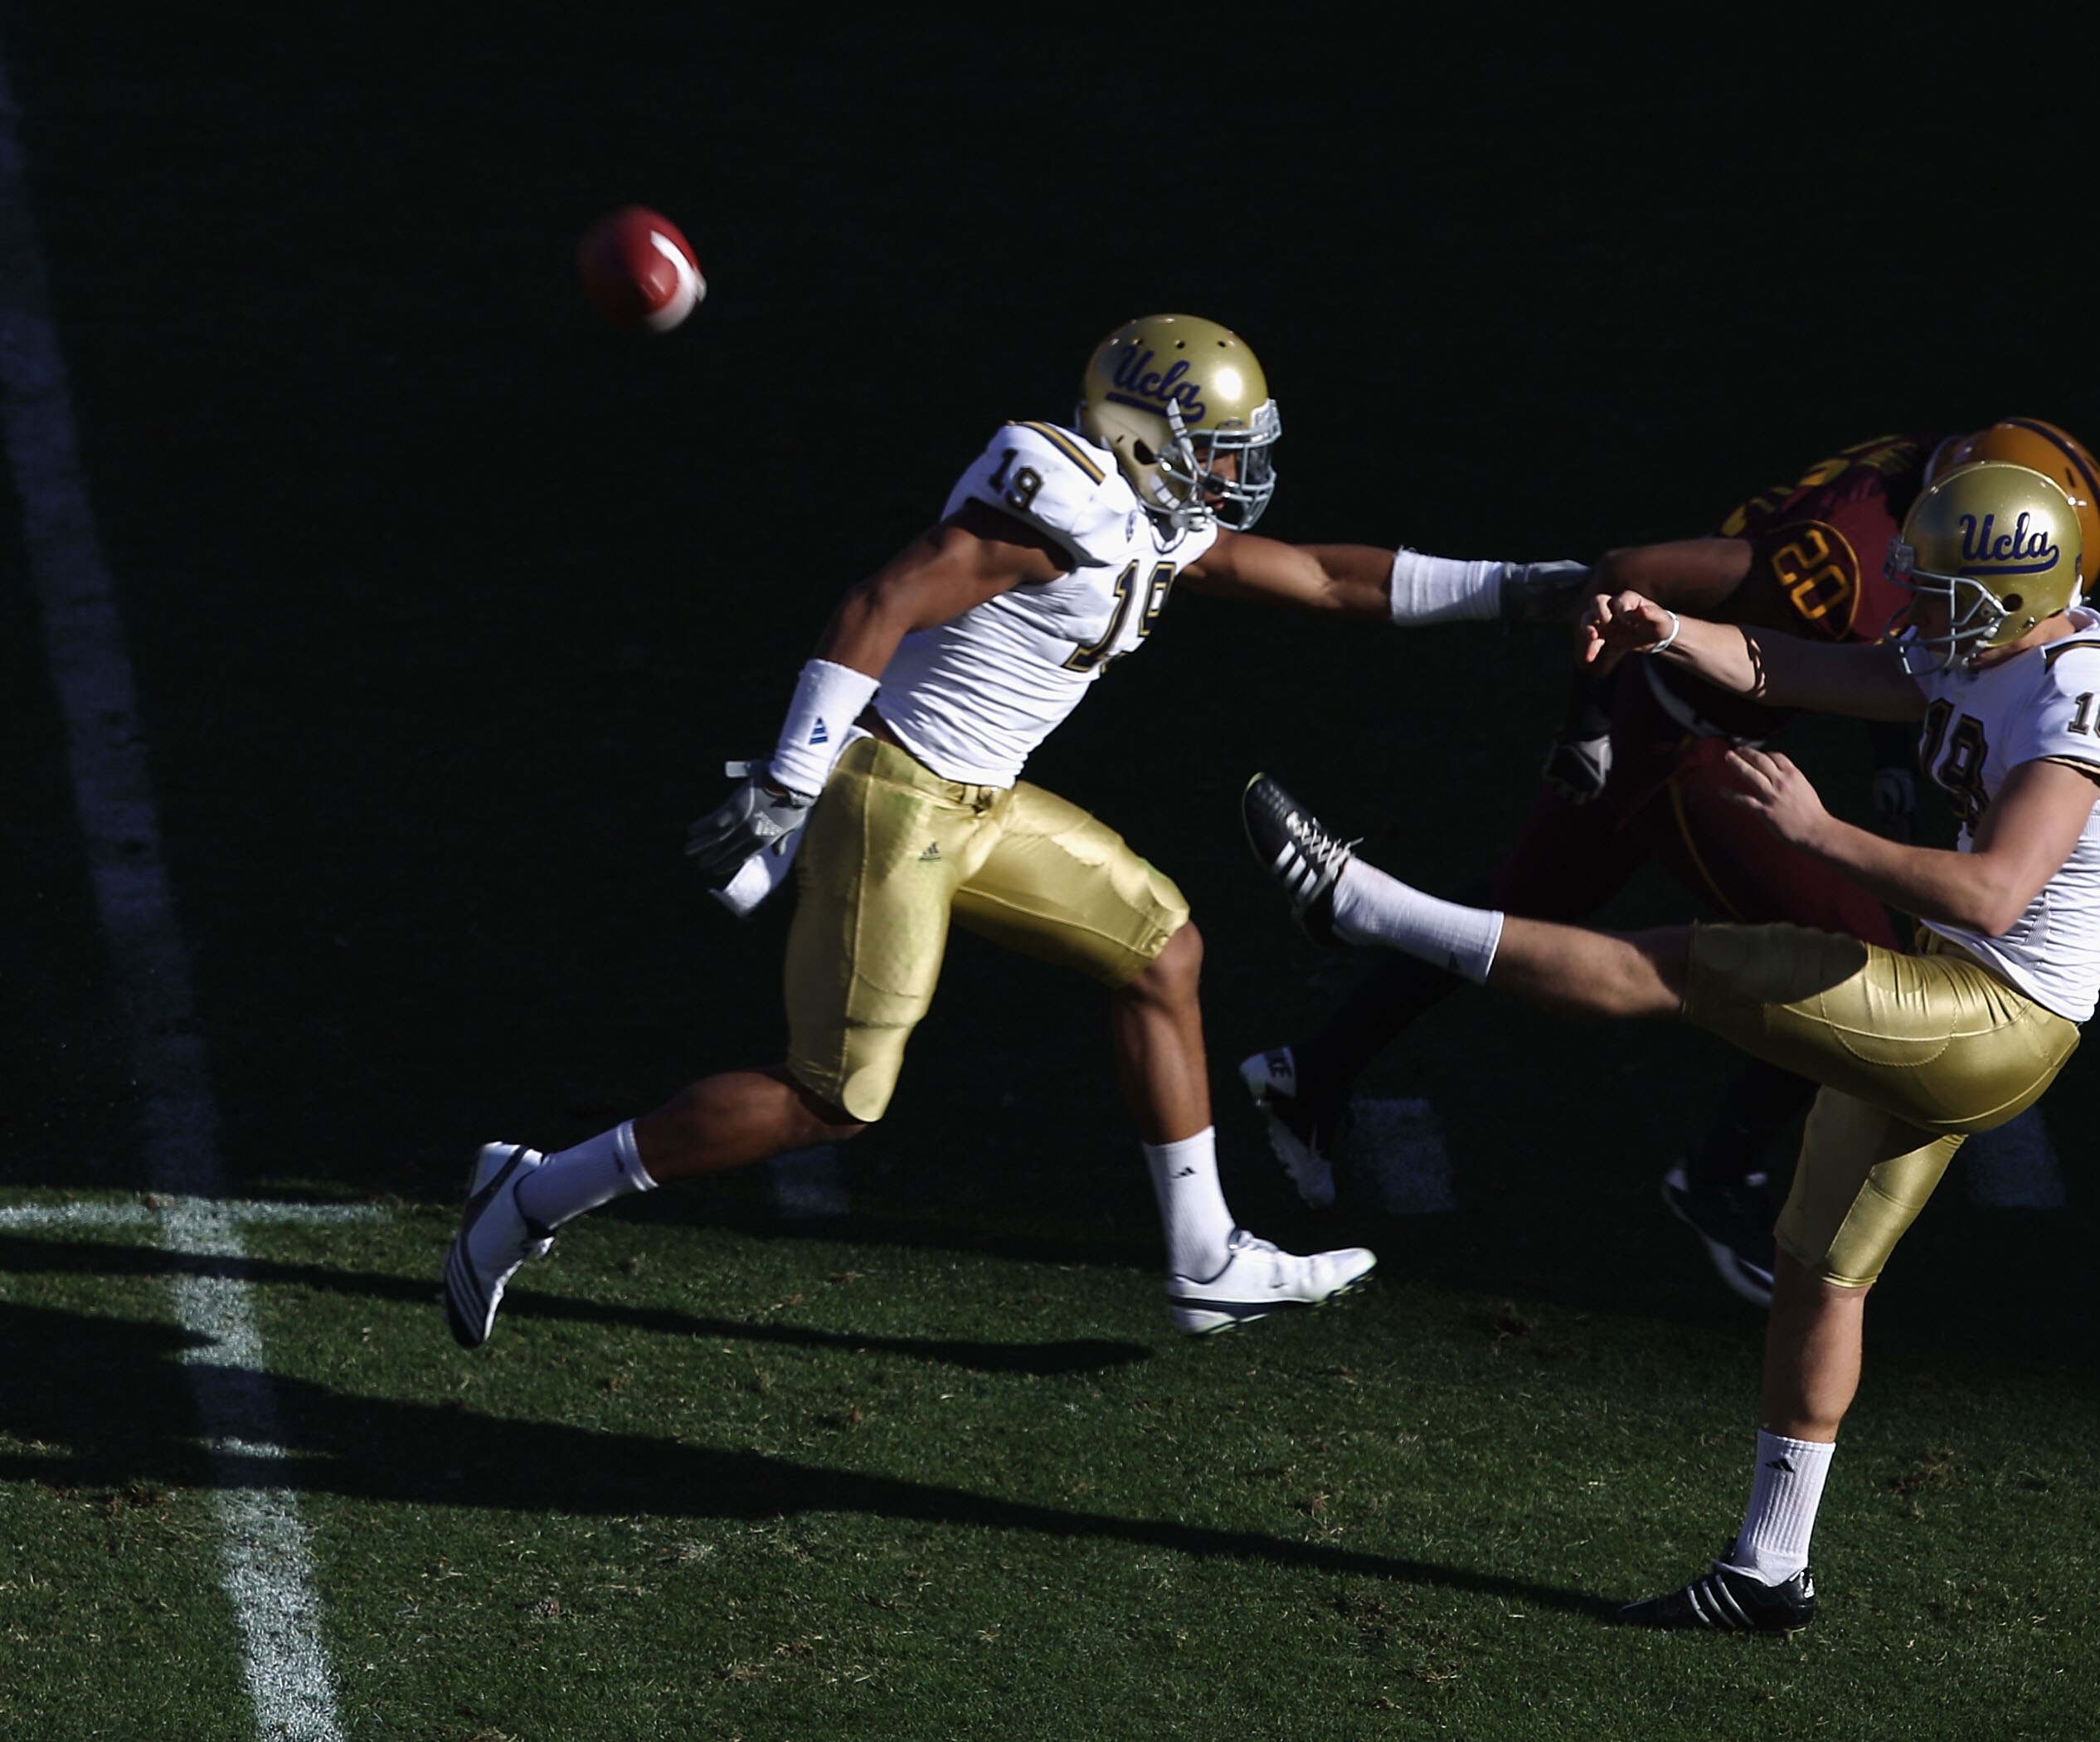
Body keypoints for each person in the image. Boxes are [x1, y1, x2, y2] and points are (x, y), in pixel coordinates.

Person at [441, 313, 1589, 1348]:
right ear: (1144, 437)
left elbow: (1324, 578)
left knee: (1162, 948)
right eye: (1216, 447)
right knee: (832, 1097)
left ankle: (1205, 1261)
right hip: (897, 801)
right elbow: (881, 601)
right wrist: (790, 782)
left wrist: (1517, 588)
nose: (1236, 473)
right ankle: (533, 1195)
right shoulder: (1064, 508)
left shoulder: (1147, 517)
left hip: (977, 800)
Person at [1240, 459, 2100, 1629]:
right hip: (1948, 995)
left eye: (1941, 594)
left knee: (1665, 967)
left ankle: (1360, 907)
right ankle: (1769, 1568)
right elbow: (1809, 666)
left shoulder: (2091, 694)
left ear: (2012, 597)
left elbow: (1991, 892)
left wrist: (1817, 831)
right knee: (1819, 1273)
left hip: (1991, 1018)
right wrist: (1671, 630)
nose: (1918, 612)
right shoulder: (1990, 640)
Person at [1237, 421, 2100, 1307]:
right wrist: (1593, 717)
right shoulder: (1851, 557)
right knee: (1840, 953)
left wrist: (1893, 765)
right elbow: (1739, 618)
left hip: (1675, 707)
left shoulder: (1917, 481)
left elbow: (1896, 666)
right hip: (1690, 746)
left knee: (1523, 902)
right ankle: (1718, 1176)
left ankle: (1313, 1070)